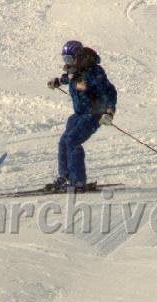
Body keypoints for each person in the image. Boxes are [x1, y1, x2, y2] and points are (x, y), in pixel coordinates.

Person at [47, 40, 117, 191]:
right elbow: (68, 78)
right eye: (64, 58)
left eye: (69, 58)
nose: (67, 62)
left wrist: (109, 111)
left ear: (79, 56)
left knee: (72, 140)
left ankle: (78, 181)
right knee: (64, 141)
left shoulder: (94, 72)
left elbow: (110, 91)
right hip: (79, 115)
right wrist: (58, 81)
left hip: (94, 115)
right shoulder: (74, 71)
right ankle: (65, 177)